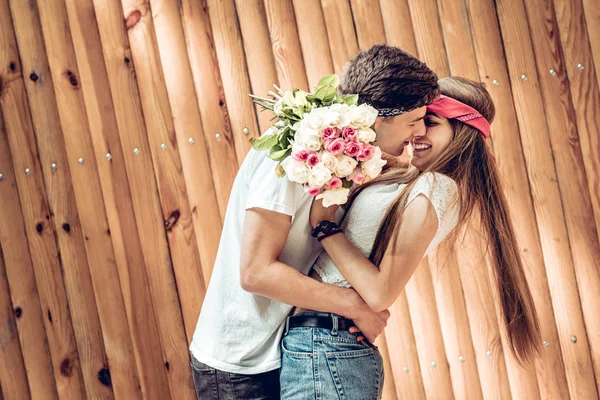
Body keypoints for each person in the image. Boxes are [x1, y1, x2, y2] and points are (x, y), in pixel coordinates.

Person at [188, 44, 440, 399]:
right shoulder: (292, 153)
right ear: (378, 117)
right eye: (413, 120)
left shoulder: (356, 157)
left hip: (286, 349)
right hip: (239, 364)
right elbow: (255, 272)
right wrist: (353, 304)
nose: (418, 132)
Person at [279, 76, 541, 399]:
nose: (417, 133)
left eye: (430, 122)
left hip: (329, 348)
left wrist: (324, 227)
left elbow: (379, 293)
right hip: (322, 347)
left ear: (460, 134)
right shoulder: (413, 180)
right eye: (415, 122)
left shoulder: (436, 188)